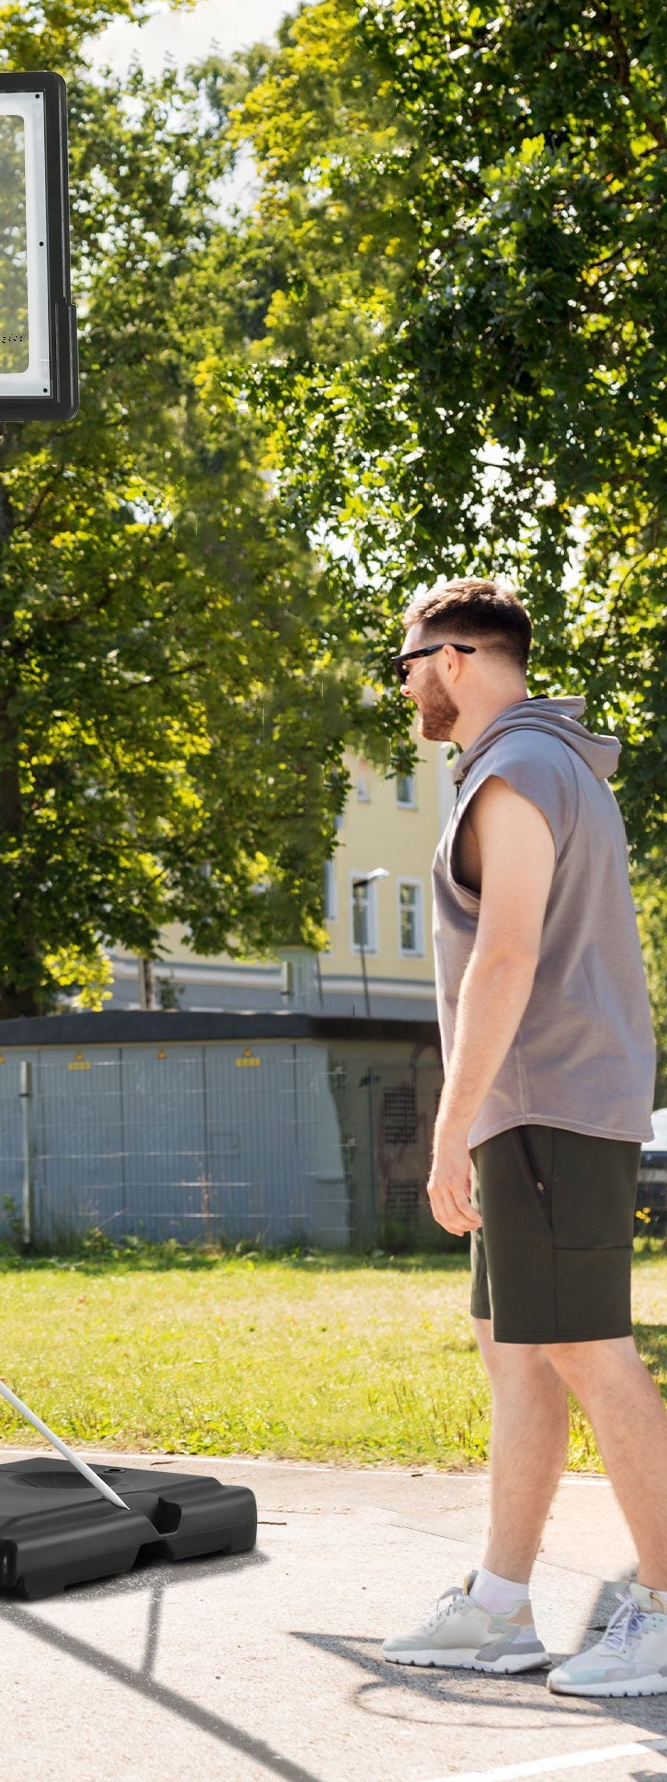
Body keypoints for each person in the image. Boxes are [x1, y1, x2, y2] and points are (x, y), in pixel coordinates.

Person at [380, 578, 667, 1696]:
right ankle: (498, 1603)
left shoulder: (515, 770)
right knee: (519, 1354)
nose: (400, 685)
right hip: (534, 1104)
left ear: (451, 657)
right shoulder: (552, 766)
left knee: (588, 1353)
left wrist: (446, 1128)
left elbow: (505, 958)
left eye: (401, 663)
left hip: (542, 1099)